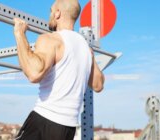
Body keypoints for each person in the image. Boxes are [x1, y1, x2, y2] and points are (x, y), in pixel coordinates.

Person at [13, 0, 105, 139]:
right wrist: (89, 59)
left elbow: (33, 73)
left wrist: (20, 34)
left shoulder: (51, 39)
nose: (49, 14)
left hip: (44, 121)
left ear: (57, 13)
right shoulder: (86, 49)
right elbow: (98, 85)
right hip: (68, 129)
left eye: (51, 10)